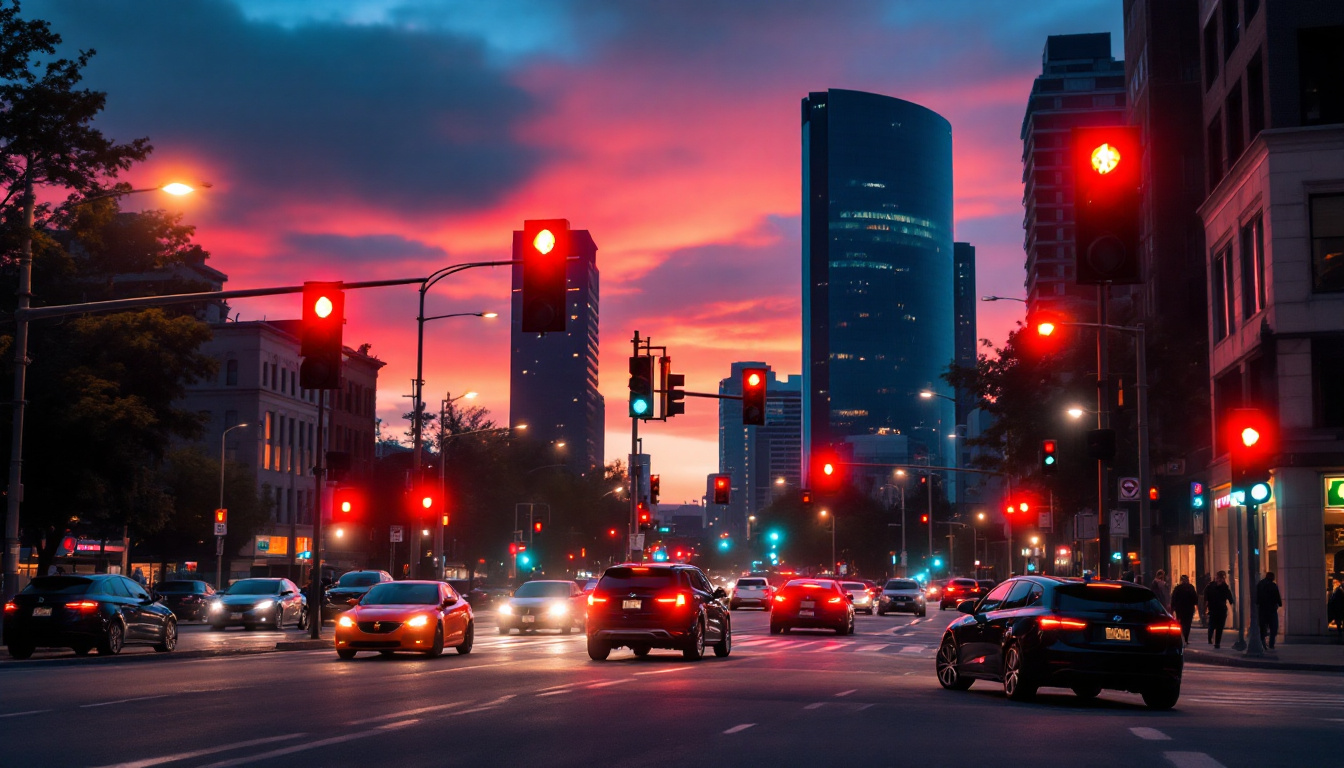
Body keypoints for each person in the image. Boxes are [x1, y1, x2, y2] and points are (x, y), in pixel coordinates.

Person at [1204, 570, 1235, 648]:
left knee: (1217, 626)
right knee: (1214, 626)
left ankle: (1216, 642)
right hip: (1216, 609)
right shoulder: (1214, 586)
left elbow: (1229, 596)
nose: (1219, 580)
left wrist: (1231, 602)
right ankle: (1212, 639)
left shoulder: (1220, 587)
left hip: (1218, 609)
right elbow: (1206, 595)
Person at [1255, 572, 1282, 650]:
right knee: (1274, 627)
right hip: (1271, 609)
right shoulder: (1273, 586)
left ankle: (1263, 642)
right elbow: (1277, 596)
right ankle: (1271, 644)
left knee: (1263, 627)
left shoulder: (1260, 584)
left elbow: (1257, 597)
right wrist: (1279, 603)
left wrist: (1258, 603)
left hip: (1262, 609)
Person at [1170, 575, 1199, 645]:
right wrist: (1196, 605)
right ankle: (1186, 637)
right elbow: (1195, 598)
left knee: (1181, 623)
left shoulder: (1178, 588)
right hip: (1189, 608)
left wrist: (1173, 607)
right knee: (1188, 623)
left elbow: (1173, 598)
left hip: (1180, 609)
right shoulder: (1191, 588)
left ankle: (1182, 636)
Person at [1328, 578, 1344, 643]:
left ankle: (1340, 631)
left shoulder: (1338, 591)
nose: (1333, 584)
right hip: (1337, 609)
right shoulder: (1338, 591)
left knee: (1338, 619)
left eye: (1334, 583)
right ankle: (1340, 631)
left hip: (1338, 608)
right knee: (1338, 619)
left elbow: (1337, 601)